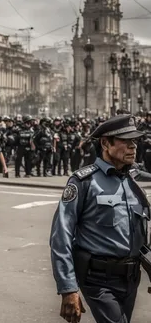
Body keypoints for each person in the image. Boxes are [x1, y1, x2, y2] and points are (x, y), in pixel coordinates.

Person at [50, 114, 149, 323]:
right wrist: (68, 288)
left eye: (135, 141)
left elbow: (141, 233)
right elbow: (61, 237)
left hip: (131, 278)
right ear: (105, 143)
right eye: (126, 141)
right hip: (98, 279)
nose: (133, 147)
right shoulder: (84, 182)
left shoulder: (132, 180)